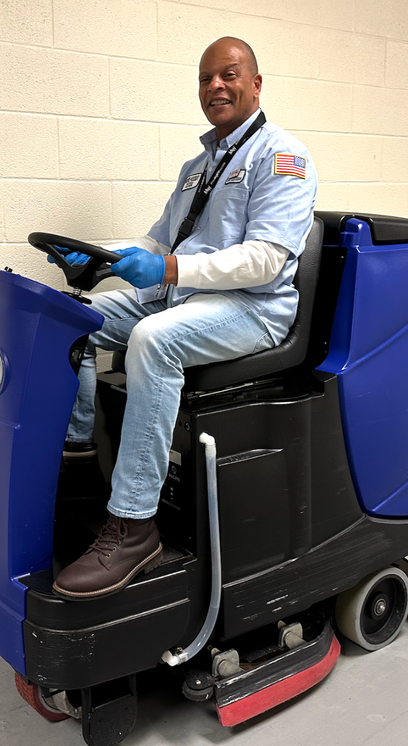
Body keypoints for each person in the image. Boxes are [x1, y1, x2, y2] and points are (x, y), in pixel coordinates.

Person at [50, 37, 317, 601]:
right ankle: (77, 465)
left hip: (255, 308)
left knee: (152, 340)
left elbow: (267, 258)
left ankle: (134, 525)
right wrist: (100, 258)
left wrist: (169, 268)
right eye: (205, 79)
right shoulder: (197, 166)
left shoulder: (282, 157)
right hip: (186, 297)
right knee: (63, 316)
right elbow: (157, 240)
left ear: (256, 84)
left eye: (229, 74)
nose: (215, 86)